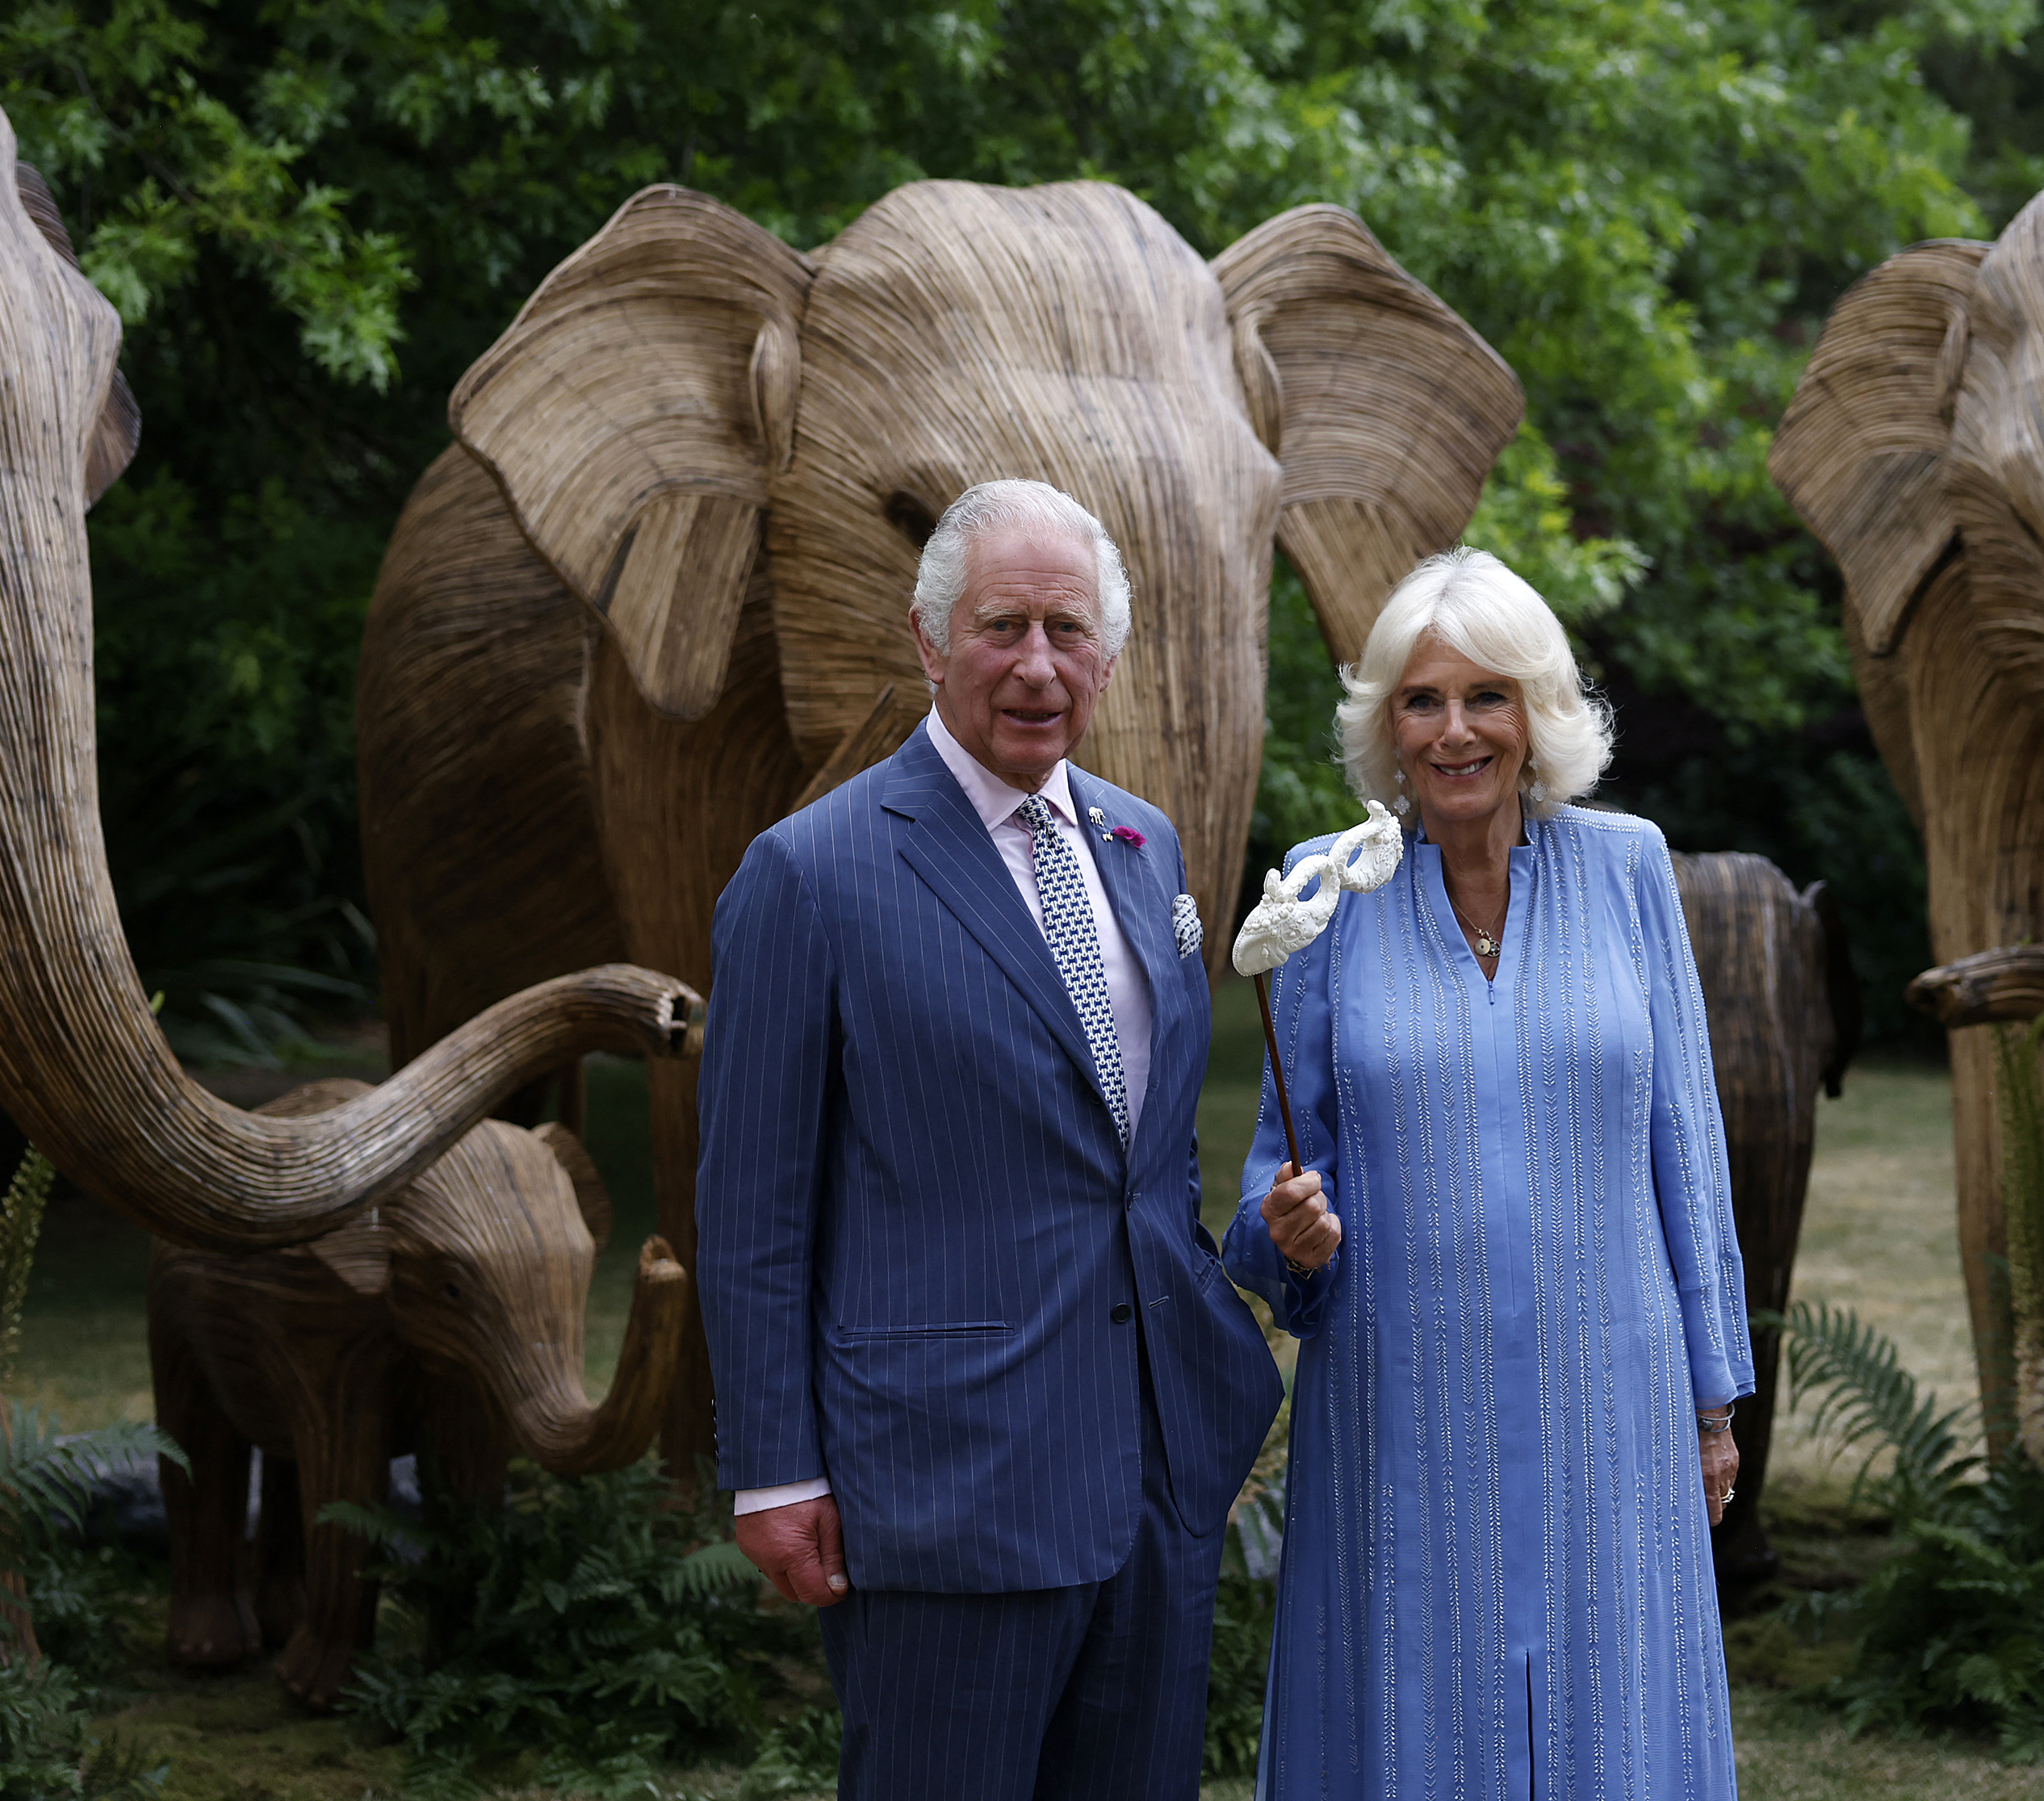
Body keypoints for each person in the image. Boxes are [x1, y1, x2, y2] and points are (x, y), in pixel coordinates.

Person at [698, 478, 1286, 1799]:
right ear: (928, 640)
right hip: (942, 1486)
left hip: (1153, 1474)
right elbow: (752, 1216)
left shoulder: (1146, 844)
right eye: (1001, 625)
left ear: (1110, 656)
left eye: (1067, 630)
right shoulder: (813, 873)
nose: (1036, 664)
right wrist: (773, 1471)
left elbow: (1150, 1152)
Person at [1221, 546, 1753, 1800]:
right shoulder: (1320, 895)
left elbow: (1688, 1140)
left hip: (1613, 1401)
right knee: (1415, 1709)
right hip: (1402, 1411)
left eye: (1486, 697)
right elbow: (1268, 1188)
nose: (1455, 729)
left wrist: (1713, 1400)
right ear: (1386, 728)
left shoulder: (1628, 868)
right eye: (1422, 700)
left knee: (1611, 1708)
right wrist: (1284, 1230)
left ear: (1538, 715)